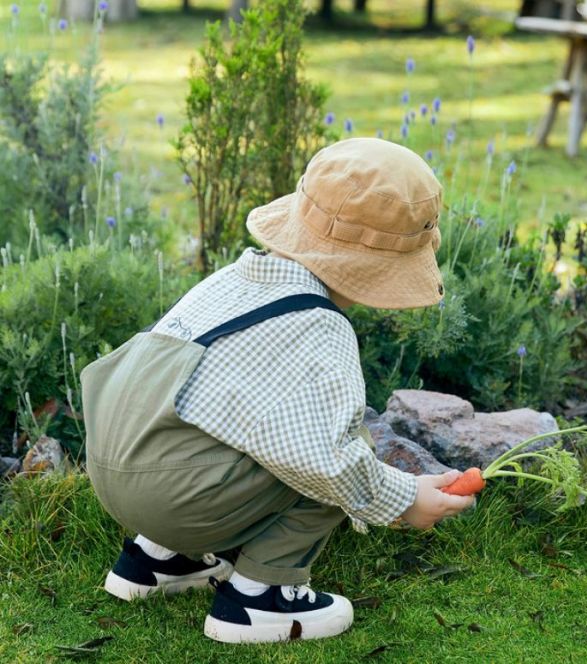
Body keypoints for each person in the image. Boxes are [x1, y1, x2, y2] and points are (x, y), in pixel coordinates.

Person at [80, 137, 475, 645]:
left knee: (228, 427)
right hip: (173, 494)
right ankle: (259, 599)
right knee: (344, 454)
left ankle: (159, 560)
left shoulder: (237, 279)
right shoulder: (317, 324)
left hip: (115, 471)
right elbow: (325, 460)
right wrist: (402, 500)